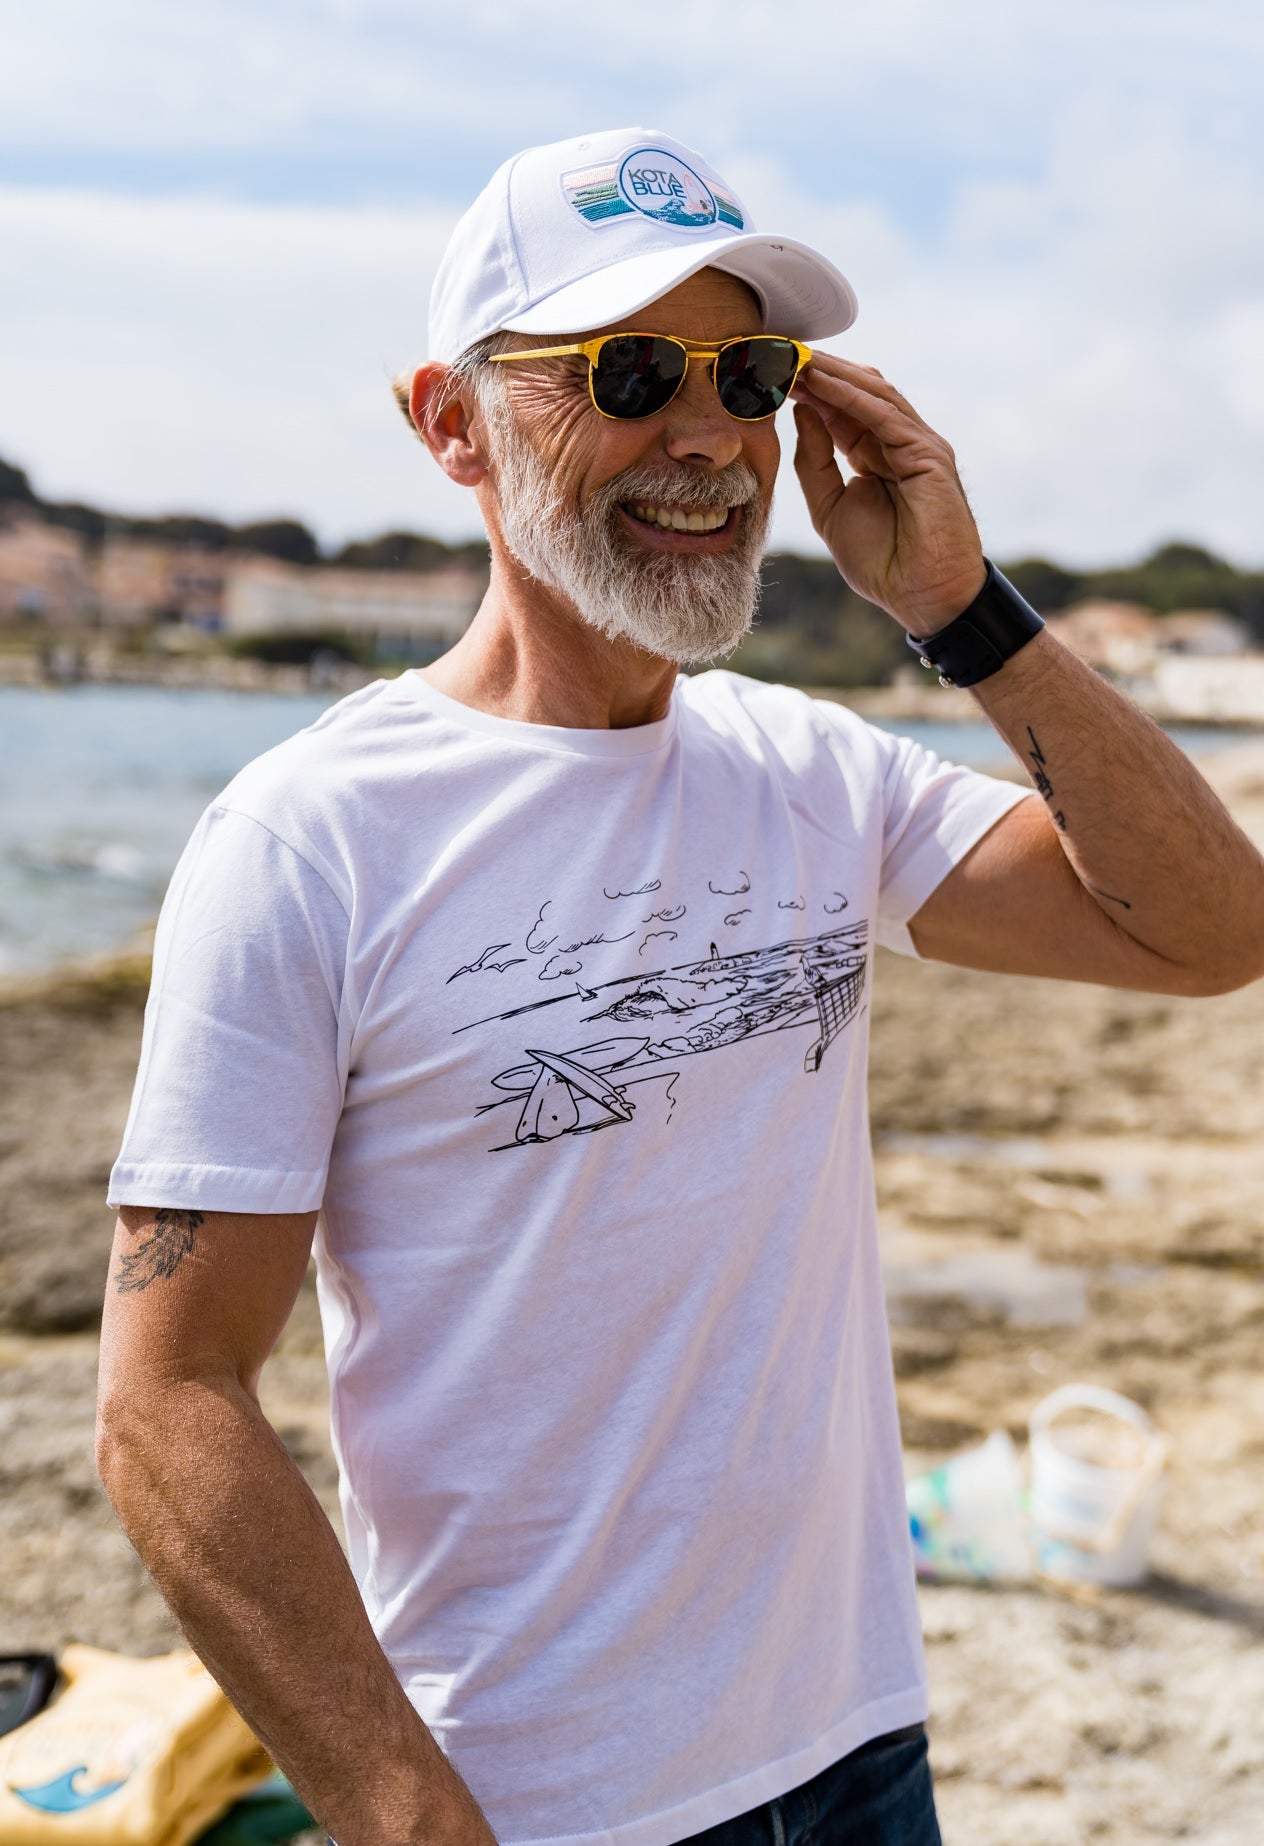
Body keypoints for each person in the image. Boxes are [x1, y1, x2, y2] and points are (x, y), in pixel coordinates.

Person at [97, 127, 1264, 1846]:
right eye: (630, 373)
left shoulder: (814, 770)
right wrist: (407, 1813)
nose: (709, 434)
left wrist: (960, 607)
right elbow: (167, 1397)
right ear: (450, 425)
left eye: (749, 370)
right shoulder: (308, 840)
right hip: (538, 1797)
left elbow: (1206, 929)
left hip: (859, 1741)